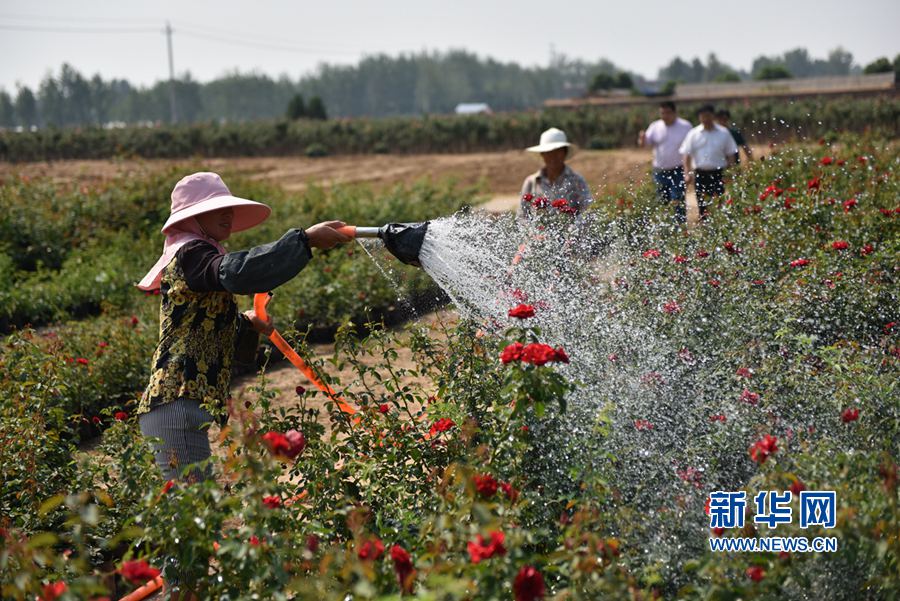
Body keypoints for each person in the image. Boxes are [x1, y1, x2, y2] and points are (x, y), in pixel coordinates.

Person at [136, 171, 351, 483]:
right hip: (174, 404)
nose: (228, 214)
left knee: (192, 512)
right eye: (215, 209)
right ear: (192, 219)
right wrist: (305, 240)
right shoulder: (191, 254)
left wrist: (247, 324)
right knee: (193, 513)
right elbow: (239, 273)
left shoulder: (200, 262)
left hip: (183, 409)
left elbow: (218, 338)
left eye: (228, 207)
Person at [519, 127, 593, 220]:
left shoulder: (577, 181)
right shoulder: (532, 182)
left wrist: (571, 230)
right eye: (549, 152)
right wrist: (532, 233)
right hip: (537, 233)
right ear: (542, 154)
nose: (553, 156)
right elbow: (522, 215)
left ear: (564, 153)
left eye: (557, 152)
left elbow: (587, 211)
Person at [679, 105, 738, 220]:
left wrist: (731, 172)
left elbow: (730, 154)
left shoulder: (723, 133)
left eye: (708, 115)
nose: (706, 118)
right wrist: (687, 173)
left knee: (718, 202)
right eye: (703, 116)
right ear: (699, 117)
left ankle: (719, 225)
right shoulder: (693, 133)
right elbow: (686, 155)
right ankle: (705, 227)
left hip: (718, 174)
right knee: (702, 204)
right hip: (700, 174)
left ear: (713, 116)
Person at [638, 101, 693, 223]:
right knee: (662, 200)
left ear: (674, 113)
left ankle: (680, 228)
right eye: (662, 113)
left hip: (678, 170)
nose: (665, 116)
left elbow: (691, 148)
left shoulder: (685, 126)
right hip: (660, 171)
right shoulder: (655, 126)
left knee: (677, 199)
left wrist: (688, 171)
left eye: (668, 113)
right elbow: (644, 144)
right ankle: (665, 228)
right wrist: (642, 139)